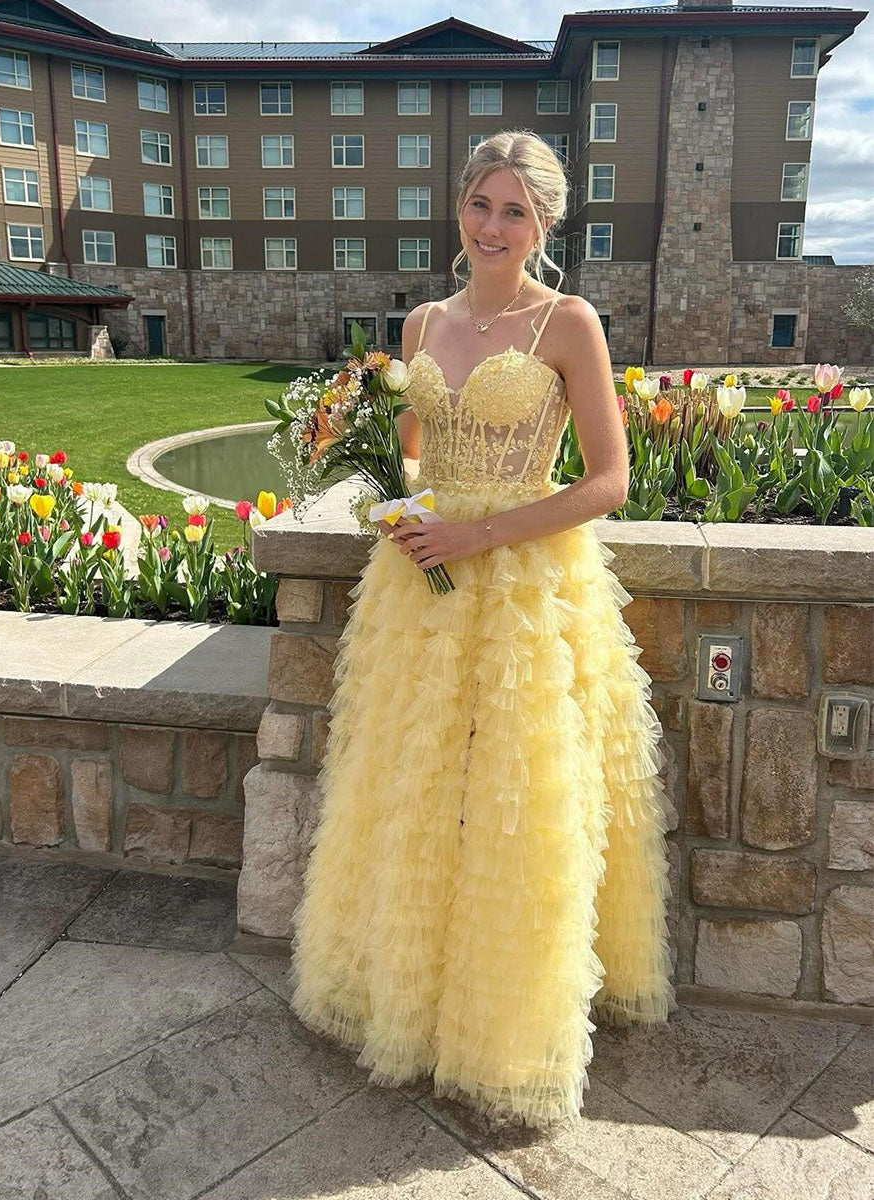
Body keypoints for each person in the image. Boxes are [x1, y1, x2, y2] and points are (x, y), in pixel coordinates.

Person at [285, 128, 678, 1130]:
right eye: (480, 204)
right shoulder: (422, 323)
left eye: (515, 210)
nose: (493, 226)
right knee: (409, 791)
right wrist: (374, 469)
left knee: (515, 807)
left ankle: (503, 1032)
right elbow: (413, 452)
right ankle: (406, 1005)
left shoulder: (568, 322)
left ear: (546, 223)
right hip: (420, 592)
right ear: (458, 210)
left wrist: (484, 530)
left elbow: (608, 480)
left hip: (525, 593)